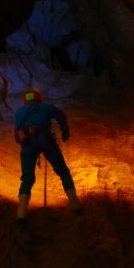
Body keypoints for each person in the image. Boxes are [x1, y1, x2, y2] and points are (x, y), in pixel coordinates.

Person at [14, 89, 81, 223]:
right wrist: (64, 129)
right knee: (63, 171)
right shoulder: (46, 107)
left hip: (27, 145)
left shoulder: (18, 113)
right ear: (39, 98)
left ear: (25, 100)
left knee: (27, 179)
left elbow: (17, 137)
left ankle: (21, 214)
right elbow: (60, 115)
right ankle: (75, 205)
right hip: (46, 141)